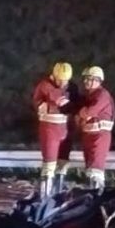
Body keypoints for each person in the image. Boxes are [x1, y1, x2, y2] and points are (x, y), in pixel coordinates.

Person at [33, 61, 76, 195]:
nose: (63, 83)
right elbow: (60, 101)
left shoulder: (72, 87)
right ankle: (45, 195)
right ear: (53, 76)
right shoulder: (45, 85)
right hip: (49, 129)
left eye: (65, 81)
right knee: (49, 164)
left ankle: (59, 193)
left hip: (66, 129)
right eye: (60, 80)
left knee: (63, 163)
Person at [76, 65, 115, 189]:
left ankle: (98, 196)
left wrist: (82, 113)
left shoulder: (102, 95)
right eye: (86, 79)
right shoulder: (90, 96)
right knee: (90, 170)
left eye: (89, 79)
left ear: (97, 80)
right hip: (89, 136)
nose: (85, 82)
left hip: (99, 137)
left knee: (95, 171)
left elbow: (89, 112)